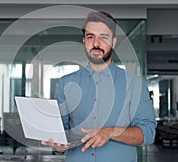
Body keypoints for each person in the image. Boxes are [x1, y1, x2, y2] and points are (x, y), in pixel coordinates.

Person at [41, 11, 156, 162]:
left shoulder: (134, 85)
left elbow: (148, 133)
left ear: (113, 42)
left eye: (103, 37)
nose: (96, 43)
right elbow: (63, 133)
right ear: (84, 41)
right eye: (90, 37)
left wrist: (110, 133)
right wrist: (59, 145)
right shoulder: (65, 84)